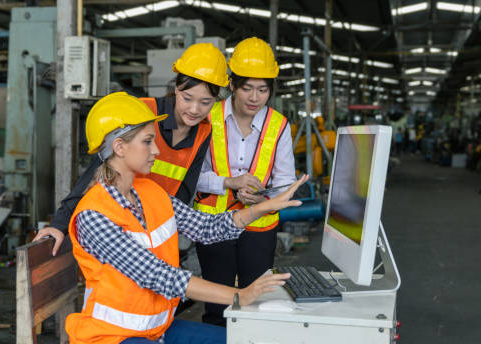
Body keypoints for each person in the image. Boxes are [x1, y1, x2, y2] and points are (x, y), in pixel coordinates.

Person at [65, 92, 308, 344]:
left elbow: (204, 228)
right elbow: (158, 275)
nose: (157, 150)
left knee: (242, 340)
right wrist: (240, 295)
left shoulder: (150, 192)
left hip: (158, 328)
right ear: (119, 146)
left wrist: (261, 208)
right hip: (112, 337)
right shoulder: (94, 215)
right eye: (148, 141)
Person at [34, 42, 229, 255]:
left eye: (205, 102)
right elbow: (94, 173)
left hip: (156, 226)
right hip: (118, 225)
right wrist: (60, 223)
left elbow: (184, 191)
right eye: (187, 98)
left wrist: (165, 233)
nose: (194, 109)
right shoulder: (142, 112)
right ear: (176, 88)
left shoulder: (203, 131)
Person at [193, 37, 297, 326]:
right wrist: (228, 183)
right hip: (214, 225)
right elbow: (193, 177)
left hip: (259, 227)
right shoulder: (207, 118)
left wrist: (263, 197)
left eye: (262, 90)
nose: (254, 97)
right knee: (217, 304)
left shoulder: (279, 126)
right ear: (232, 86)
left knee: (256, 304)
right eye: (247, 88)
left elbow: (286, 180)